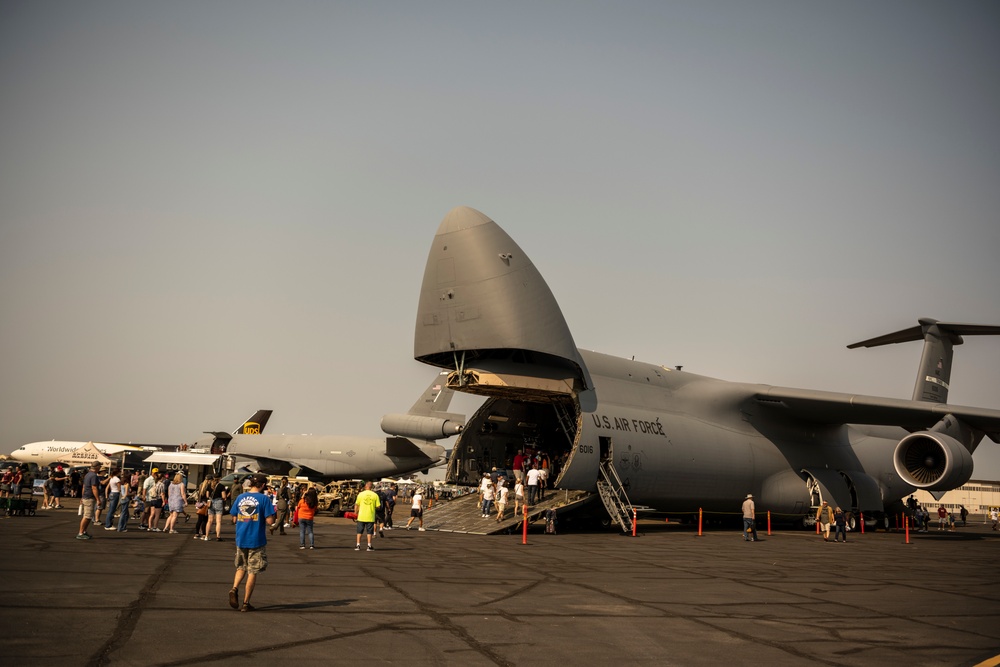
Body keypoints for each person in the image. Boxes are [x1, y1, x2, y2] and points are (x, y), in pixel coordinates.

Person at [228, 474, 276, 612]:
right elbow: (270, 521)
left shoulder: (240, 497)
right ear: (262, 485)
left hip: (241, 537)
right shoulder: (264, 499)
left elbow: (234, 518)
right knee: (252, 571)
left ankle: (234, 588)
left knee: (241, 567)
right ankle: (245, 602)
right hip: (256, 539)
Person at [76, 462, 103, 540]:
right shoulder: (94, 476)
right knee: (87, 516)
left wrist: (82, 496)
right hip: (89, 497)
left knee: (88, 516)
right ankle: (80, 533)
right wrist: (98, 499)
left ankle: (83, 531)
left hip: (86, 496)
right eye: (100, 466)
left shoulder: (88, 474)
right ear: (97, 467)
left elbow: (84, 486)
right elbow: (94, 488)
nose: (100, 468)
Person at [354, 481, 381, 551]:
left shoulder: (360, 494)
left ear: (365, 486)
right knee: (369, 532)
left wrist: (355, 513)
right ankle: (369, 546)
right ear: (371, 487)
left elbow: (357, 505)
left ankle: (358, 545)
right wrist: (373, 506)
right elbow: (378, 506)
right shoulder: (375, 495)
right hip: (370, 516)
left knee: (359, 531)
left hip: (361, 516)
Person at [209, 476, 228, 541]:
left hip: (211, 502)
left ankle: (206, 535)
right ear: (219, 479)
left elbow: (207, 495)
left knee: (210, 521)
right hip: (218, 502)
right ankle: (218, 536)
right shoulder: (221, 486)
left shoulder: (210, 485)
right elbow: (223, 496)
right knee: (218, 521)